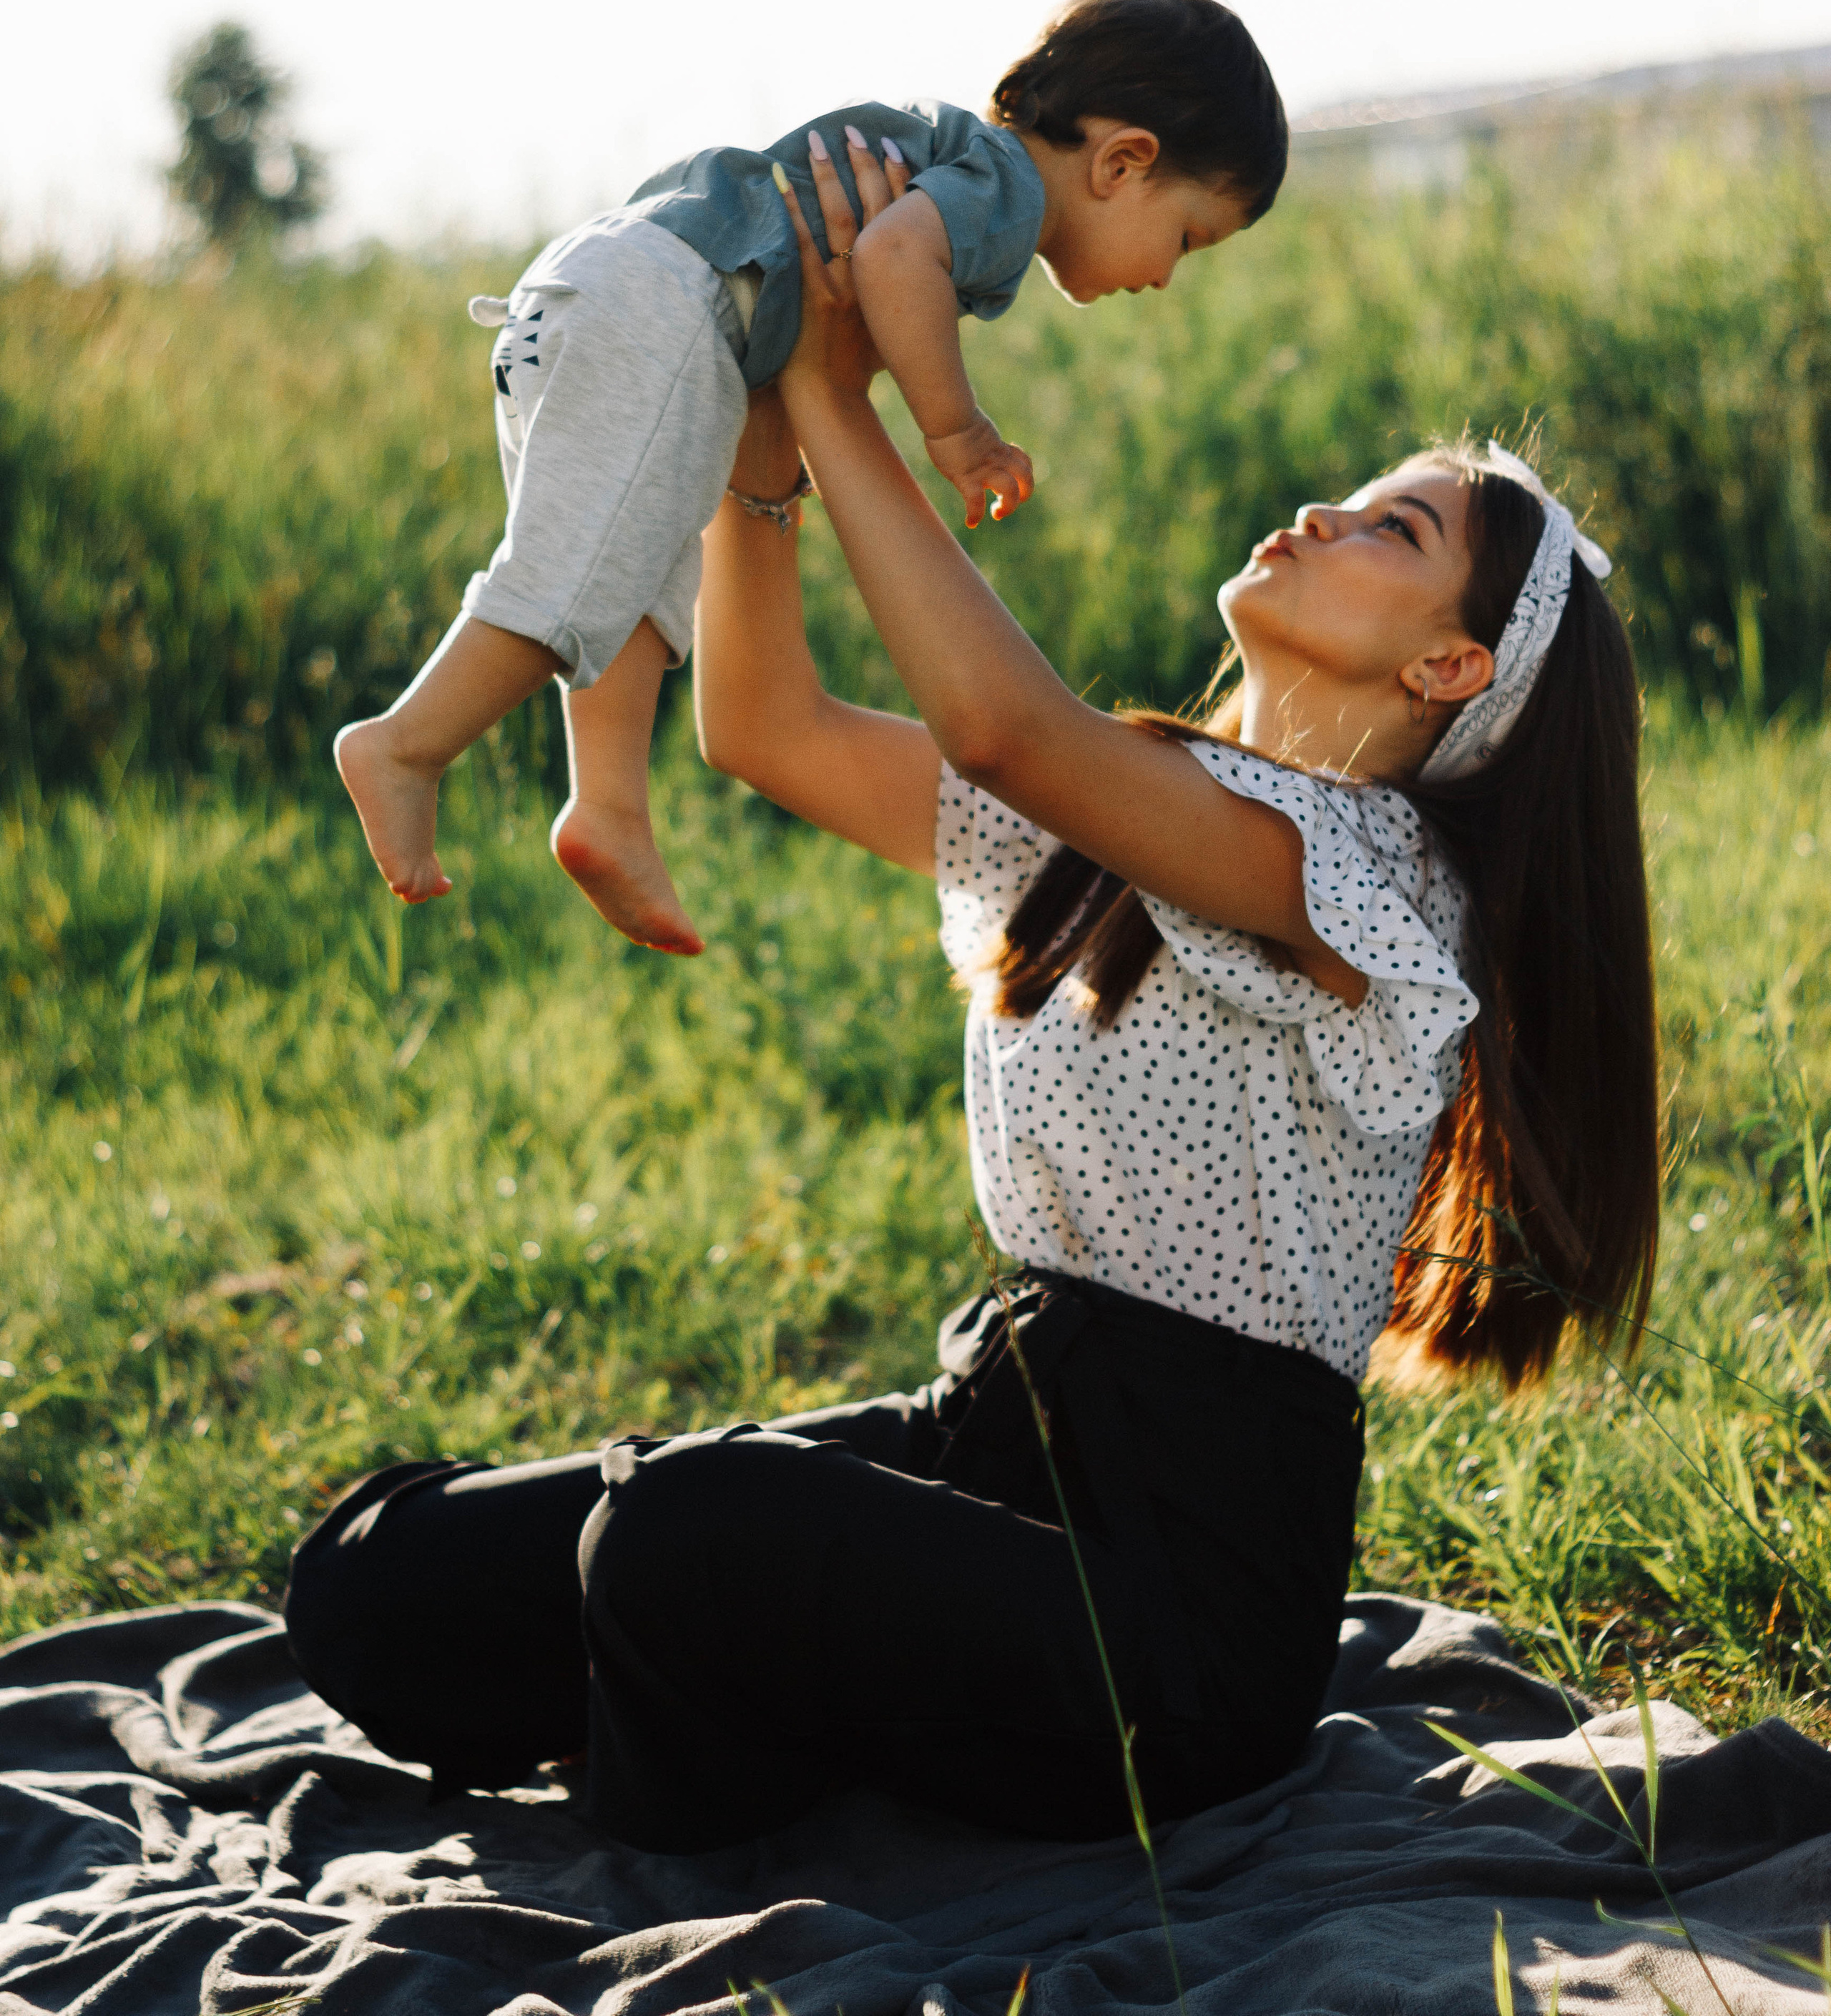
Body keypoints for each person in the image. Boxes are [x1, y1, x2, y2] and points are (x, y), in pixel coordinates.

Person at [283, 147, 1660, 1853]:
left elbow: (1009, 727)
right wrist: (766, 430)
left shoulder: (1379, 885)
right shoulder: (1135, 806)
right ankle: (753, 1685)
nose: (1318, 513)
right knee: (376, 1576)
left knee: (683, 1536)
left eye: (1392, 529)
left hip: (1177, 1627)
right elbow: (763, 727)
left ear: (1448, 668)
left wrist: (828, 370)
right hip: (997, 1441)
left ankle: (734, 1709)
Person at [332, 0, 1285, 958]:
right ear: (1125, 163)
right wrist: (958, 435)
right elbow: (891, 258)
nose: (1167, 276)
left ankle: (607, 806)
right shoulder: (1006, 195)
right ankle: (406, 745)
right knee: (574, 571)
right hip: (661, 306)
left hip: (624, 292)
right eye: (1187, 239)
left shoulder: (970, 168)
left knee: (637, 568)